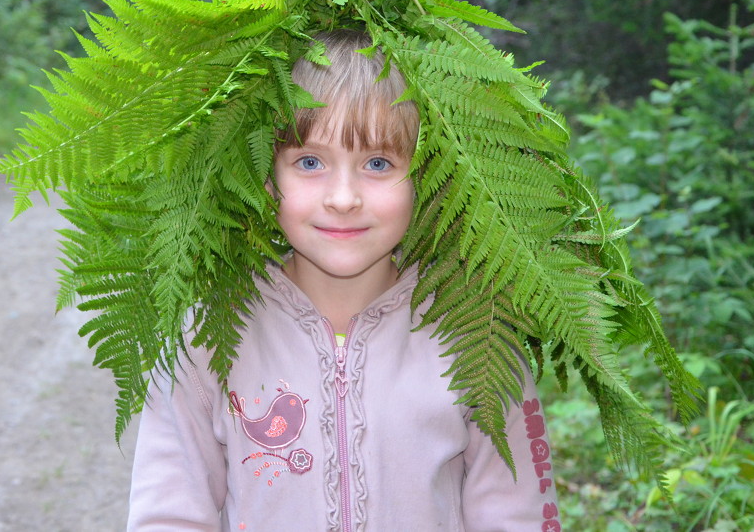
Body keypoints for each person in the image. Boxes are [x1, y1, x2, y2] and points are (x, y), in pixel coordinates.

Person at [126, 29, 562, 531]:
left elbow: (519, 517)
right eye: (309, 162)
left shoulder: (477, 339)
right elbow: (169, 516)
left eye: (378, 163)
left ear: (430, 178)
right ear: (266, 178)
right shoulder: (205, 337)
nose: (342, 197)